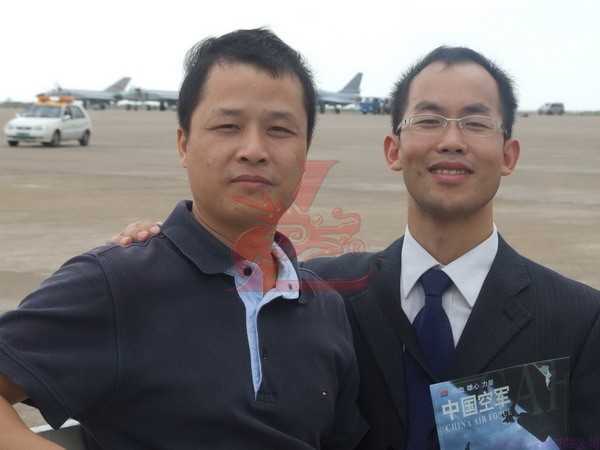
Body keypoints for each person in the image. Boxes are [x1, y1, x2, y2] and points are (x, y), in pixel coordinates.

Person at [120, 46, 600, 450]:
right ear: (393, 150)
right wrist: (163, 251)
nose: (452, 140)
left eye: (475, 123)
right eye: (428, 119)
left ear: (509, 154)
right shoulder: (317, 295)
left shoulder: (578, 320)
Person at [0, 28, 366, 450]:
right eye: (228, 126)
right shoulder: (117, 283)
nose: (254, 149)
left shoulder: (325, 308)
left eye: (280, 130)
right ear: (183, 144)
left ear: (305, 154)